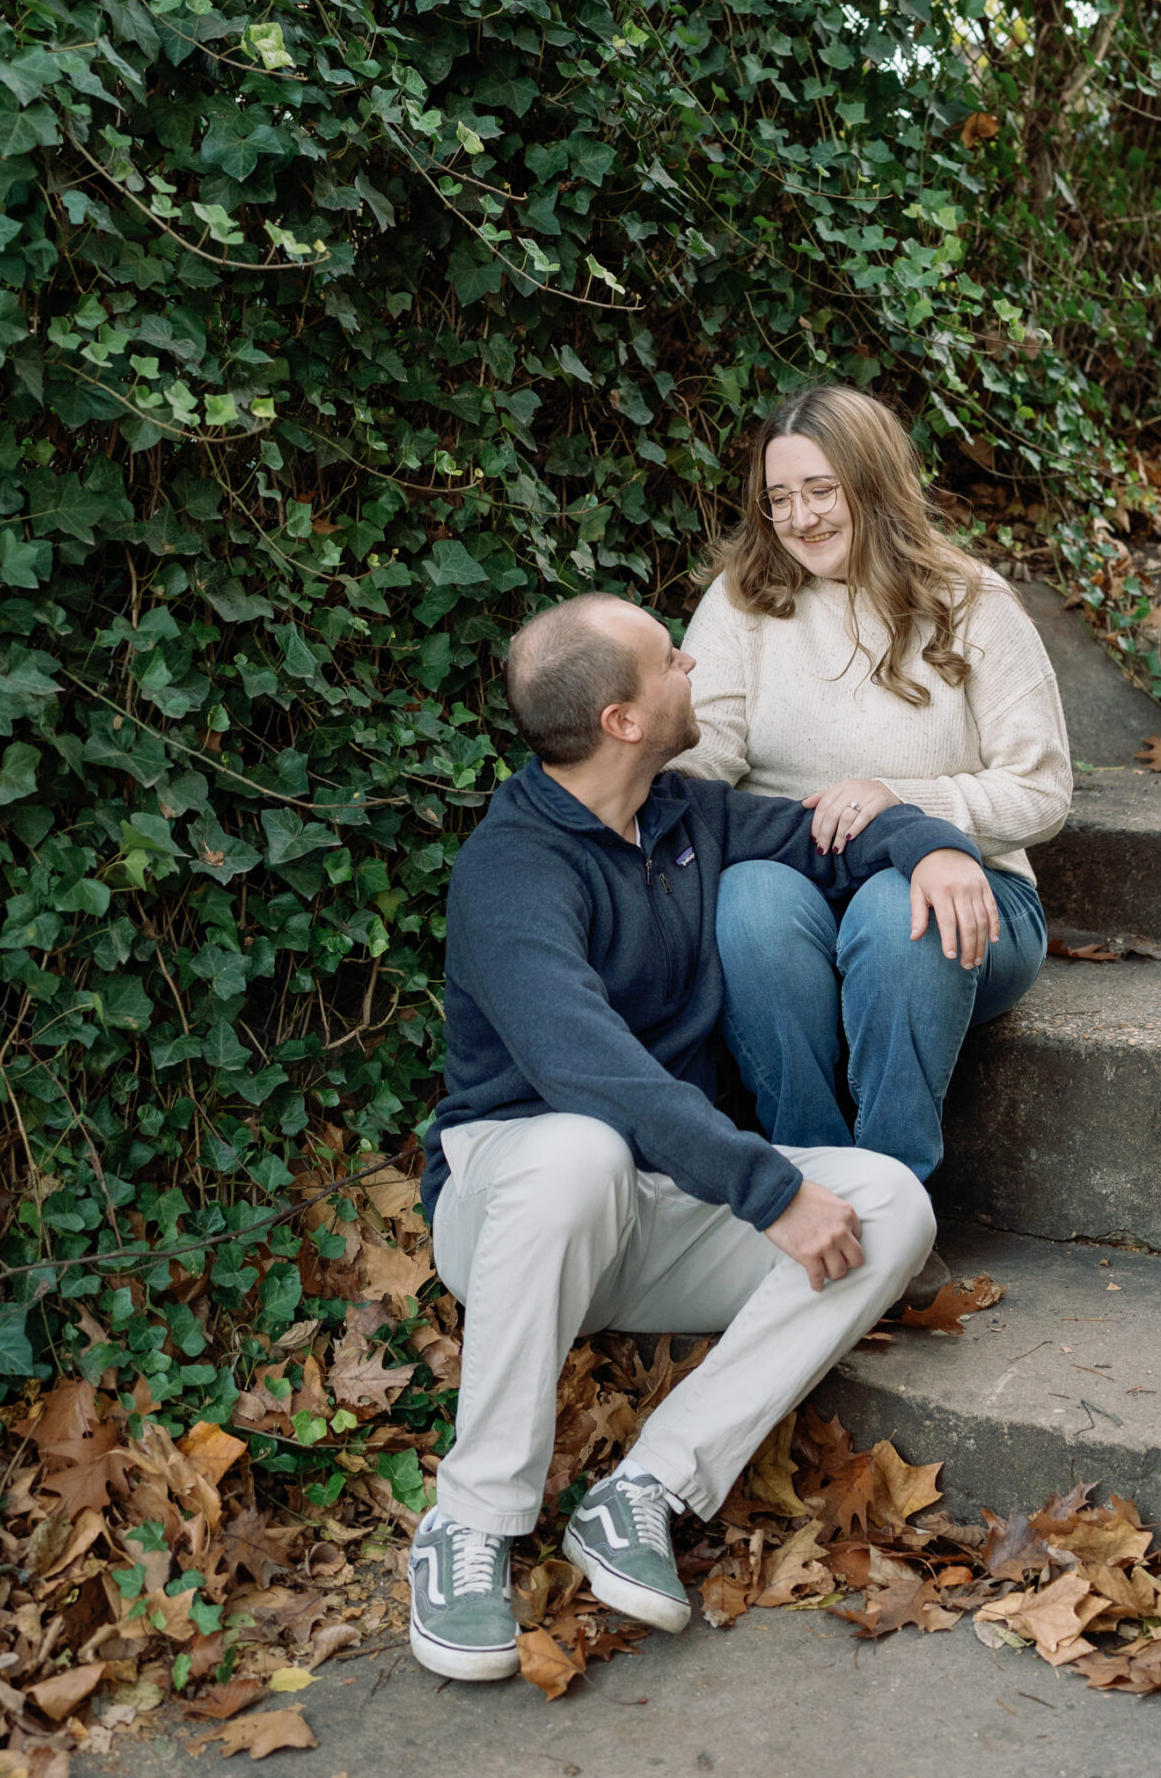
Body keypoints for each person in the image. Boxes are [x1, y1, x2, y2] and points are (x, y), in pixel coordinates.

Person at [408, 591, 992, 1682]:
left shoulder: (687, 816)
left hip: (653, 1207)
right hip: (514, 1202)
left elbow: (833, 833)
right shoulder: (510, 868)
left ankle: (648, 1488)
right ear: (622, 720)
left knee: (890, 1203)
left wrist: (932, 851)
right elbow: (586, 1066)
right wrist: (766, 1188)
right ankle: (470, 1525)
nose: (689, 661)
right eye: (667, 659)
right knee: (579, 1143)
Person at [673, 385, 1071, 1223]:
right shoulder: (743, 602)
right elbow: (699, 757)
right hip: (794, 885)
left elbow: (1042, 790)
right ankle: (813, 1196)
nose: (800, 518)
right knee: (746, 900)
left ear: (874, 482)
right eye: (779, 498)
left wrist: (905, 804)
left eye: (821, 490)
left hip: (970, 897)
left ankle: (895, 1207)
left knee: (899, 908)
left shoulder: (972, 603)